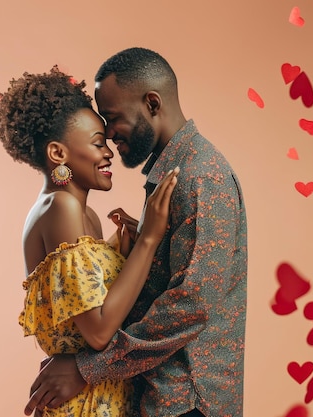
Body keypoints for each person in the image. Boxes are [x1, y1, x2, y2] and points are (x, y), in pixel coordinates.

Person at [24, 48, 248, 417]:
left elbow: (191, 303)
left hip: (187, 399)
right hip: (157, 394)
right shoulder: (170, 176)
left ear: (152, 103)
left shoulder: (200, 176)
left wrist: (89, 367)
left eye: (112, 119)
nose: (110, 136)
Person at [0, 66, 179, 416]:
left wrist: (120, 248)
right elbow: (97, 332)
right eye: (97, 143)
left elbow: (90, 295)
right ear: (58, 154)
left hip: (103, 397)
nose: (109, 152)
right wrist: (149, 239)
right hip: (83, 406)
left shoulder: (85, 214)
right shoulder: (60, 206)